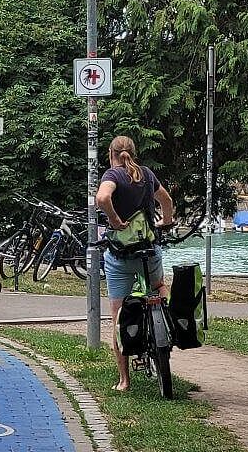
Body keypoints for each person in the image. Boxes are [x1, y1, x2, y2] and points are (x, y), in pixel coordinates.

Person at [96, 135, 174, 393]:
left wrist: (116, 222)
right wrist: (166, 221)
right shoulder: (148, 174)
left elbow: (102, 199)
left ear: (111, 153)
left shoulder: (113, 175)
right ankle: (169, 318)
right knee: (160, 284)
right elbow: (167, 201)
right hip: (149, 254)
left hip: (120, 258)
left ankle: (124, 381)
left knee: (118, 316)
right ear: (133, 152)